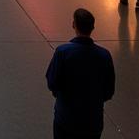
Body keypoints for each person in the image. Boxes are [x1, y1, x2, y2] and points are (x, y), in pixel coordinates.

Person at [45, 8, 115, 139]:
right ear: (92, 27)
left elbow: (52, 83)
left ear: (73, 25)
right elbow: (109, 90)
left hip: (66, 118)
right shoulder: (104, 55)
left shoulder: (63, 52)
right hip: (92, 122)